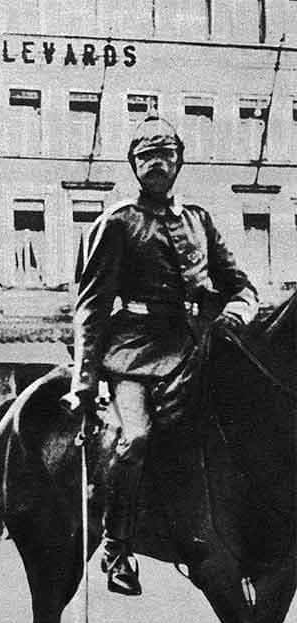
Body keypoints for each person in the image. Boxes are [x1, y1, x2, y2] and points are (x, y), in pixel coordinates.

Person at [66, 113, 258, 596]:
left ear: (179, 161)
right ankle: (117, 547)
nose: (156, 164)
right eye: (146, 156)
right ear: (133, 165)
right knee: (137, 439)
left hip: (192, 347)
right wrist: (84, 382)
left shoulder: (199, 220)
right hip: (130, 351)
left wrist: (236, 313)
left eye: (165, 155)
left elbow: (241, 286)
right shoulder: (117, 222)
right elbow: (91, 304)